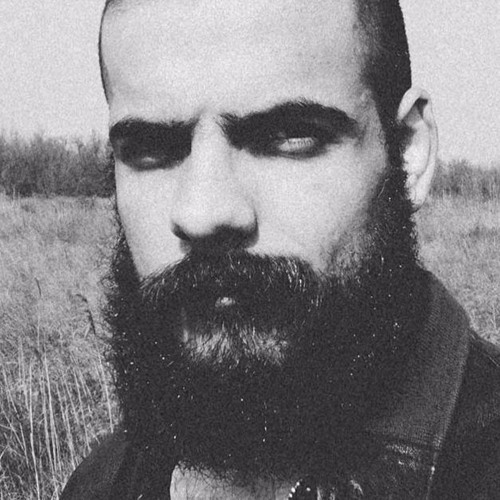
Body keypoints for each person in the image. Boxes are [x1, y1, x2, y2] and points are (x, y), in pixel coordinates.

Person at [61, 0, 500, 498]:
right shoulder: (104, 482)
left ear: (407, 152)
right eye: (149, 149)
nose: (203, 213)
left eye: (289, 137)